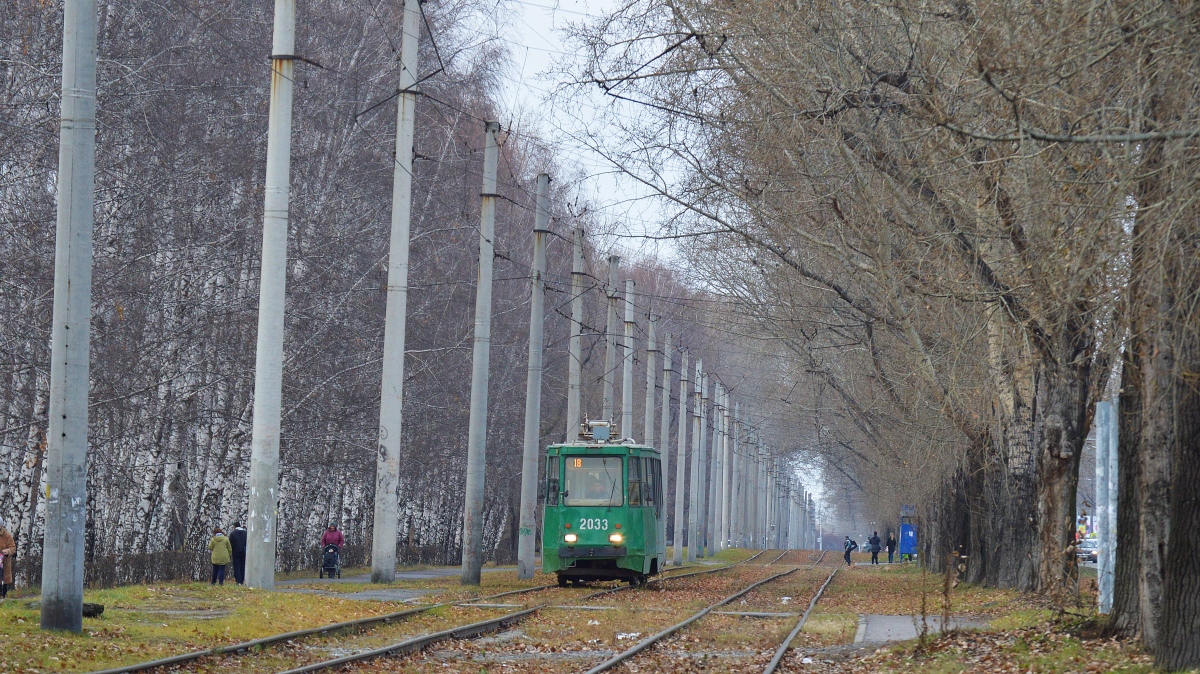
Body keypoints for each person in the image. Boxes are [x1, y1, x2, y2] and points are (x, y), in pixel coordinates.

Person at [0, 517, 15, 598]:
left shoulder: (7, 535)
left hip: (3, 562)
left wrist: (8, 551)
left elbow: (13, 547)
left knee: (3, 580)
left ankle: (3, 596)